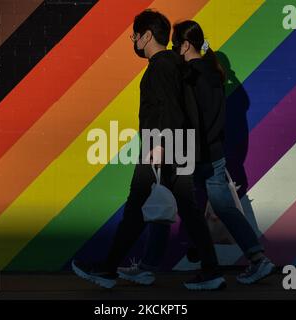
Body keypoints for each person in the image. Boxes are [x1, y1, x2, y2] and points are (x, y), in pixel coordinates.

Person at [71, 10, 225, 291]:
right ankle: (206, 270)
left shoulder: (161, 66)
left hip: (164, 145)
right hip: (178, 145)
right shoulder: (174, 64)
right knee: (183, 210)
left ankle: (108, 270)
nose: (133, 40)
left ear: (147, 36)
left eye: (135, 35)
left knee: (137, 206)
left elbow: (170, 108)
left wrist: (160, 146)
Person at [117, 20, 275, 286]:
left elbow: (188, 117)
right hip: (214, 154)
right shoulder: (215, 73)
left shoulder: (190, 75)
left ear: (186, 45)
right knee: (222, 208)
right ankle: (258, 258)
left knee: (164, 204)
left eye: (176, 45)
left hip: (193, 154)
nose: (174, 50)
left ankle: (155, 266)